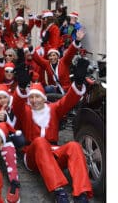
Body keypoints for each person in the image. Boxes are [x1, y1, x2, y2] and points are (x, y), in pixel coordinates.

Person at [12, 58, 93, 202]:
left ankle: (81, 193)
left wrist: (78, 83)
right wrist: (23, 88)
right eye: (31, 97)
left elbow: (68, 100)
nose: (34, 100)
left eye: (38, 97)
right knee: (40, 142)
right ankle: (58, 191)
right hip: (33, 154)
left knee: (74, 146)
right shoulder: (25, 111)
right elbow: (17, 105)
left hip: (53, 152)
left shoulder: (53, 109)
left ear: (44, 98)